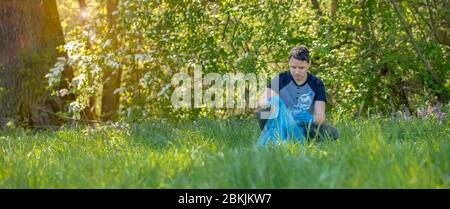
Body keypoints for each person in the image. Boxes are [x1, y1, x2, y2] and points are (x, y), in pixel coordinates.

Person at [256, 45, 339, 143]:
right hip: (280, 122)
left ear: (308, 64)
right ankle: (276, 136)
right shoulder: (280, 79)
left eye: (301, 68)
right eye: (293, 67)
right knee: (262, 112)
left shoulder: (317, 84)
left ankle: (301, 138)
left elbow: (321, 116)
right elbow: (262, 101)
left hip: (304, 124)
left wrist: (311, 119)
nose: (297, 72)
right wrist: (276, 103)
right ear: (288, 64)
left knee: (332, 133)